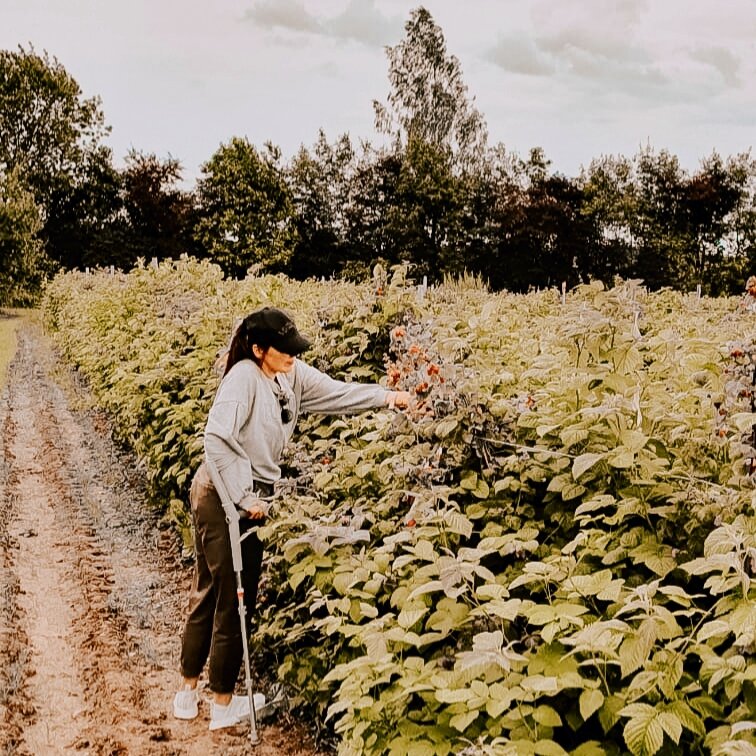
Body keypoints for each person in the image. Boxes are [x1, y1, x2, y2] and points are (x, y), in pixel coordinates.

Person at [173, 306, 411, 731]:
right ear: (258, 348)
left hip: (235, 494)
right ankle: (223, 704)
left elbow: (338, 393)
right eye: (284, 350)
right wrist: (243, 498)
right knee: (234, 599)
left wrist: (387, 397)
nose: (293, 356)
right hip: (222, 495)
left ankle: (187, 695)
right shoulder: (243, 378)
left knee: (213, 589)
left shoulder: (290, 376)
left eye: (294, 349)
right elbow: (216, 437)